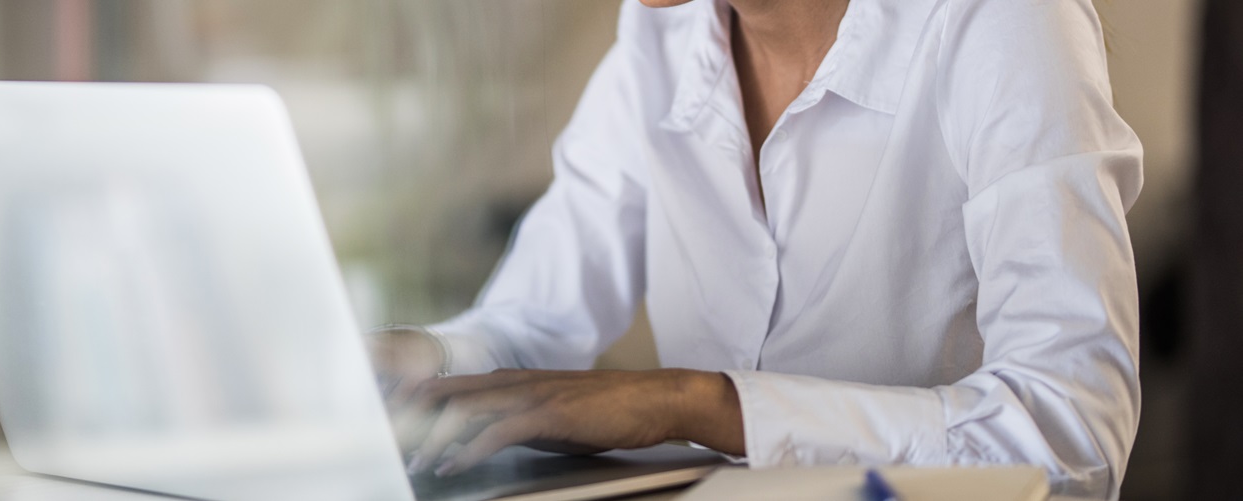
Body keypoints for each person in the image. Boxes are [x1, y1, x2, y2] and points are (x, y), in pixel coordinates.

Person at [370, 0, 1142, 498]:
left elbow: (1073, 433)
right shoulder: (664, 37)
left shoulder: (999, 21)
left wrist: (699, 404)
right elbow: (529, 325)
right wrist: (415, 361)